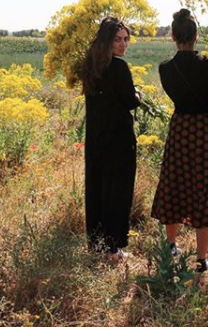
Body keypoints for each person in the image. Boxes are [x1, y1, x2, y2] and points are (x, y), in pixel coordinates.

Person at [151, 8, 208, 273]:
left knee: (176, 183)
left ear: (173, 35)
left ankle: (170, 245)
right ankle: (202, 260)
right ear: (197, 35)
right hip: (206, 133)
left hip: (180, 131)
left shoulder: (165, 69)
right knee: (204, 190)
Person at [81, 17, 141, 257]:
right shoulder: (119, 67)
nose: (123, 45)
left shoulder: (90, 65)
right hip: (119, 139)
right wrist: (138, 94)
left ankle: (96, 245)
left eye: (126, 39)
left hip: (96, 138)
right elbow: (130, 101)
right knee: (117, 192)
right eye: (117, 39)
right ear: (106, 41)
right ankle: (113, 248)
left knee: (96, 190)